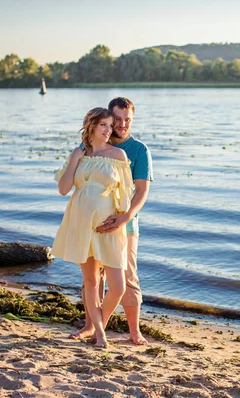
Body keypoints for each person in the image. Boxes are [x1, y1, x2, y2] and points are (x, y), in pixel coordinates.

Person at [52, 107, 133, 348]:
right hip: (81, 224)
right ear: (91, 127)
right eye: (104, 126)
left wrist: (122, 219)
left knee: (117, 286)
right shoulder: (79, 154)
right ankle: (100, 334)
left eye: (110, 126)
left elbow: (125, 194)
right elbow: (64, 189)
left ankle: (99, 326)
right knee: (91, 282)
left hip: (107, 226)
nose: (109, 130)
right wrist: (75, 160)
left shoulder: (118, 155)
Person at [78, 97, 153, 345]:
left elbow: (141, 190)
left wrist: (126, 217)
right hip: (93, 223)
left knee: (127, 277)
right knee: (93, 278)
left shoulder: (139, 150)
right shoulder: (93, 145)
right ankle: (92, 327)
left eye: (127, 120)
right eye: (117, 120)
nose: (121, 125)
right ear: (108, 119)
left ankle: (133, 331)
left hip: (126, 225)